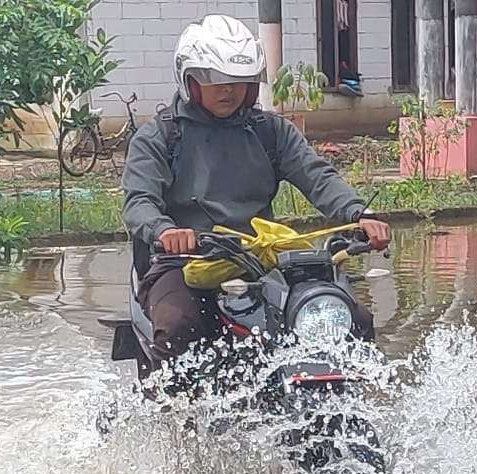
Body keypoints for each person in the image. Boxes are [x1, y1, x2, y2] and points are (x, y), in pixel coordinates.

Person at [121, 15, 391, 371]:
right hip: (186, 262)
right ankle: (164, 416)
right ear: (189, 80)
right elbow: (139, 201)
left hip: (262, 258)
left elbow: (317, 176)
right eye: (215, 80)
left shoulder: (271, 132)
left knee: (351, 317)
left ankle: (359, 398)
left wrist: (359, 214)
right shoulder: (160, 137)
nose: (228, 90)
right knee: (177, 326)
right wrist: (166, 232)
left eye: (239, 81)